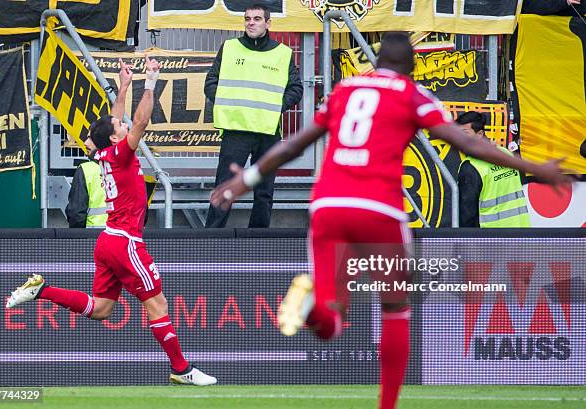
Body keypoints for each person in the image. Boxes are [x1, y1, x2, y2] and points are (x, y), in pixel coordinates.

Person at [210, 32, 572, 409]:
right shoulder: (411, 94)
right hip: (377, 209)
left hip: (329, 204)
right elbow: (469, 143)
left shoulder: (345, 89)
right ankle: (387, 405)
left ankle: (313, 303)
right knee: (396, 307)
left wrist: (245, 180)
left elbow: (294, 143)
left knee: (331, 323)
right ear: (412, 67)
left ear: (377, 60)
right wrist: (533, 166)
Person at [7, 56, 217, 386]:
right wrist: (149, 82)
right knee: (158, 303)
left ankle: (42, 290)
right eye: (120, 129)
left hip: (107, 241)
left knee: (102, 309)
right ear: (117, 139)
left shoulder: (105, 152)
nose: (122, 126)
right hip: (124, 242)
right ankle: (182, 369)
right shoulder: (120, 153)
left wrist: (123, 87)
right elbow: (140, 123)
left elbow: (113, 120)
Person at [204, 3, 303, 228]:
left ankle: (259, 240)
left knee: (264, 191)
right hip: (236, 129)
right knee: (224, 188)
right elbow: (211, 82)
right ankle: (211, 240)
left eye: (257, 19)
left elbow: (295, 89)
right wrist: (227, 105)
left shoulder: (282, 53)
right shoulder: (229, 48)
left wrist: (275, 107)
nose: (251, 23)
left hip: (267, 132)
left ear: (268, 23)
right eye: (248, 18)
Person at [456, 111, 531, 228]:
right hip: (521, 231)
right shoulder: (506, 153)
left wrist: (467, 243)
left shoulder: (471, 166)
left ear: (480, 134)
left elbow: (467, 216)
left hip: (492, 239)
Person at [65, 157, 107, 228]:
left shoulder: (87, 170)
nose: (85, 145)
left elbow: (76, 214)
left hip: (93, 234)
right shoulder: (128, 166)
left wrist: (79, 235)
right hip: (122, 233)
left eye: (94, 144)